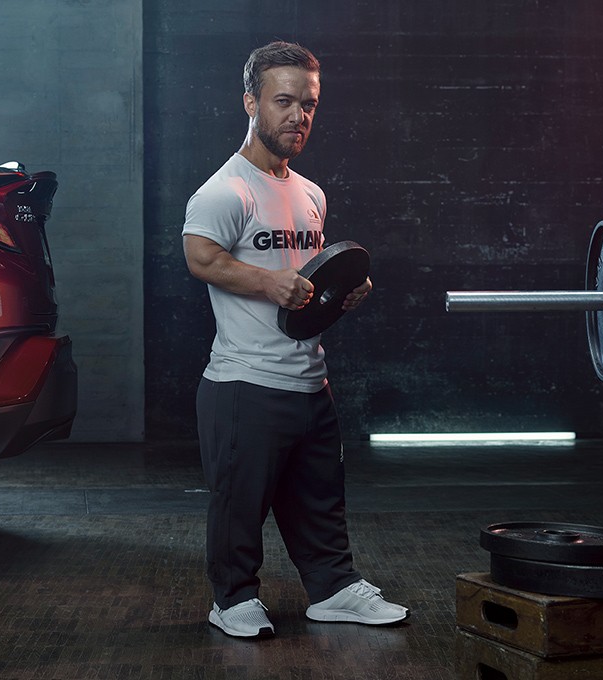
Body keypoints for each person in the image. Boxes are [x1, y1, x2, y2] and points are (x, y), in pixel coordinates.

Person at [181, 40, 409, 639]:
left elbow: (310, 281)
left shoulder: (310, 194)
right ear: (250, 102)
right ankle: (232, 600)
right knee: (239, 506)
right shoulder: (225, 191)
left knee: (320, 499)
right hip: (243, 382)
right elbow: (200, 257)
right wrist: (268, 284)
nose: (297, 116)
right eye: (283, 101)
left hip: (309, 378)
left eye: (308, 104)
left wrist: (344, 293)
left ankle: (333, 589)